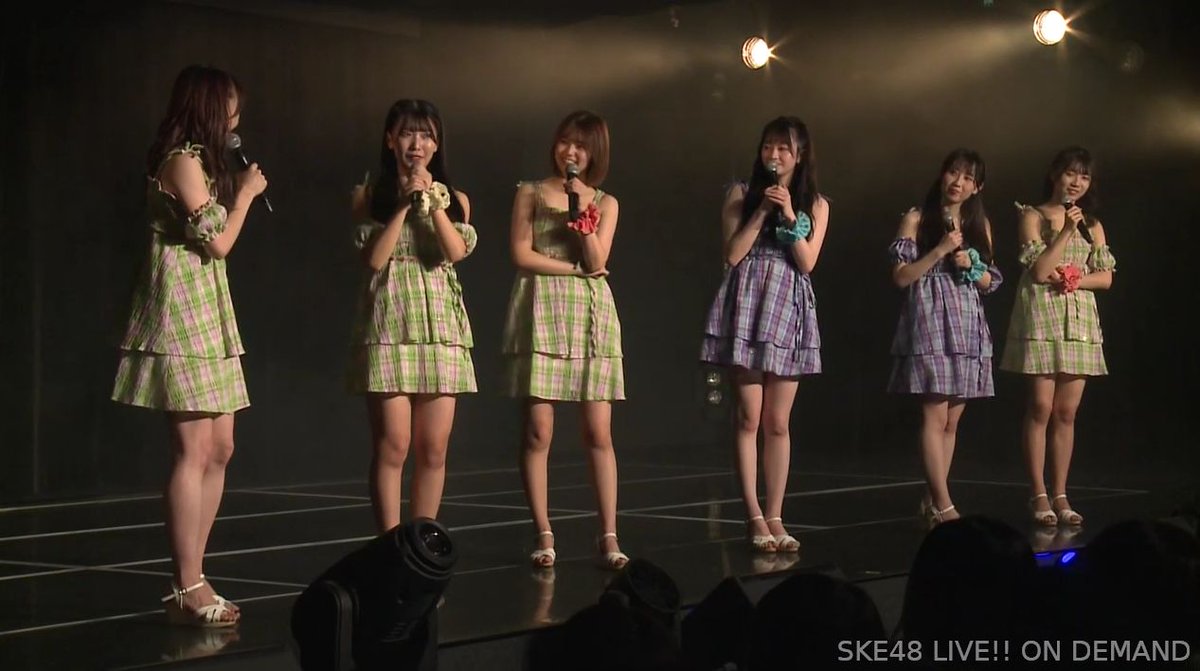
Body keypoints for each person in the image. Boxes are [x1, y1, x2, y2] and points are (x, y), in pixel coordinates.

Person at [112, 64, 268, 626]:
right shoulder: (180, 161)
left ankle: (195, 574)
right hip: (179, 311)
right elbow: (218, 242)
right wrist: (245, 195)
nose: (236, 117)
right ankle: (188, 582)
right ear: (207, 106)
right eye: (229, 106)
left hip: (209, 311)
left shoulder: (199, 163)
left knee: (221, 447)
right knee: (194, 450)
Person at [501, 110, 628, 570]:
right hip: (541, 307)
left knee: (598, 431)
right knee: (538, 430)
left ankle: (608, 535)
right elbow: (521, 253)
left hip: (590, 314)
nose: (570, 152)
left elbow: (597, 262)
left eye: (580, 145)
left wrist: (583, 219)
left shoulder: (606, 202)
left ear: (594, 153)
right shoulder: (530, 192)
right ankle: (544, 531)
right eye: (564, 142)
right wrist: (570, 270)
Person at [700, 116, 829, 553]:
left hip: (788, 305)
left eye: (784, 148)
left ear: (800, 155)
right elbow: (733, 253)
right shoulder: (740, 193)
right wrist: (760, 212)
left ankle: (776, 515)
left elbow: (807, 262)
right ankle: (753, 515)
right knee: (748, 417)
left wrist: (789, 212)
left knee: (777, 422)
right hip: (749, 301)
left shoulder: (816, 204)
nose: (774, 155)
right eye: (768, 146)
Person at [347, 99, 477, 533]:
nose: (416, 144)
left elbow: (454, 251)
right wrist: (404, 204)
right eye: (407, 133)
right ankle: (389, 544)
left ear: (437, 145)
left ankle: (421, 543)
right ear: (390, 140)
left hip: (440, 329)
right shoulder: (368, 197)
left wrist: (433, 202)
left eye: (426, 135)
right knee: (394, 444)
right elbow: (374, 259)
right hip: (388, 326)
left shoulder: (456, 200)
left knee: (434, 448)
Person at [1001, 146, 1115, 527]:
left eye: (1084, 176)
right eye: (1070, 173)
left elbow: (1106, 277)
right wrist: (1066, 230)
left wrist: (1075, 280)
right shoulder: (1032, 215)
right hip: (1042, 314)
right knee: (1040, 407)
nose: (1077, 182)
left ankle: (1061, 493)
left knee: (1067, 413)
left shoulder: (1093, 225)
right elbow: (1038, 271)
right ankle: (1038, 493)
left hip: (1079, 320)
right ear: (1054, 174)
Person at [887, 149, 1002, 526]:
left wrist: (974, 267)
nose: (958, 182)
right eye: (954, 173)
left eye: (968, 178)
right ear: (942, 174)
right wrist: (939, 250)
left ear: (977, 187)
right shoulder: (916, 219)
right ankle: (944, 504)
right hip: (930, 318)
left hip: (967, 321)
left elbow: (990, 283)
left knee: (952, 421)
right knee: (934, 415)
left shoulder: (980, 225)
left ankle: (932, 496)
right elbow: (901, 277)